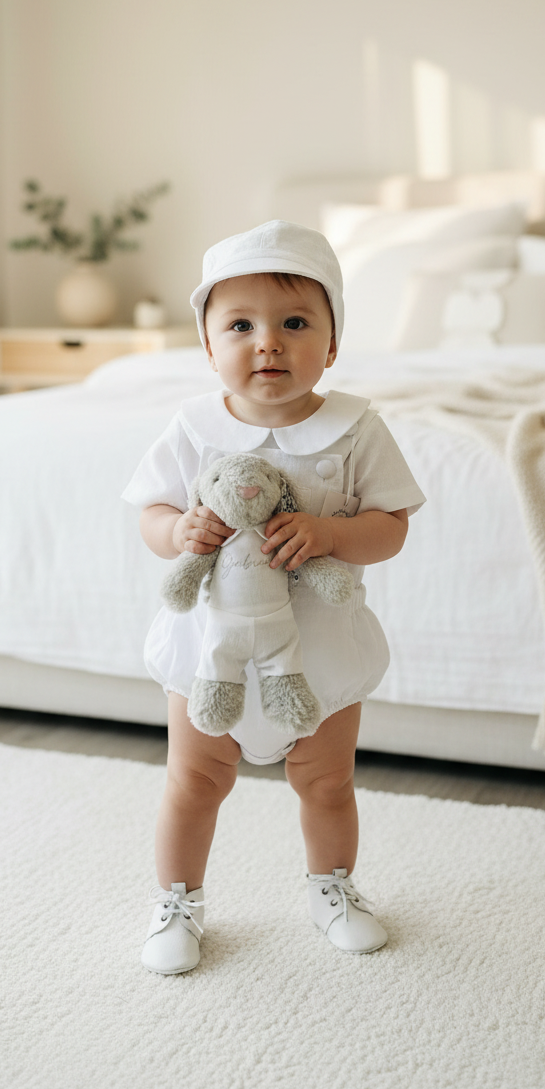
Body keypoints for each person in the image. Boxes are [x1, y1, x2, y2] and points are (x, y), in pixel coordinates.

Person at [122, 219, 426, 974]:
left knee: (326, 781)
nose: (269, 343)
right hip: (210, 653)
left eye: (295, 323)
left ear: (330, 344)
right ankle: (179, 903)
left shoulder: (355, 429)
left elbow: (390, 528)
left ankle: (334, 890)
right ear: (208, 346)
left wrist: (329, 534)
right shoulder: (193, 427)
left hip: (318, 651)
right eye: (241, 325)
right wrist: (179, 530)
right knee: (193, 781)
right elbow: (151, 515)